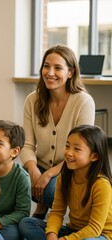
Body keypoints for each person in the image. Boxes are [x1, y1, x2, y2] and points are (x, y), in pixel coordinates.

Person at [20, 45, 95, 219]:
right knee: (11, 180)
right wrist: (33, 171)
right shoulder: (32, 100)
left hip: (70, 168)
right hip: (40, 165)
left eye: (58, 68)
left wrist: (48, 175)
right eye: (46, 66)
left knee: (51, 192)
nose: (50, 72)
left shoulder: (84, 102)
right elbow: (27, 145)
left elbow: (80, 152)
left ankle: (45, 205)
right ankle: (37, 207)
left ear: (70, 72)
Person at [19, 125, 112, 239]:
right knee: (27, 224)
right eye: (67, 146)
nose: (68, 153)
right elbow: (57, 212)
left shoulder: (101, 184)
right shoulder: (64, 177)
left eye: (76, 149)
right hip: (73, 230)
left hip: (100, 235)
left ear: (94, 156)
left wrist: (64, 239)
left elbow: (94, 228)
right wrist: (51, 234)